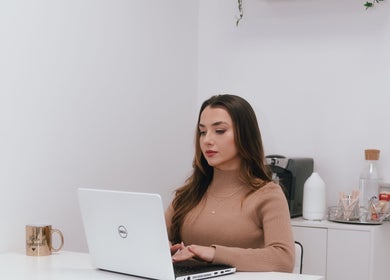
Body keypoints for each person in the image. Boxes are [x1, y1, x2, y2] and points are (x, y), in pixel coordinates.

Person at [164, 94, 295, 272]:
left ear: (245, 135)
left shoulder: (267, 194)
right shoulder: (190, 192)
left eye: (219, 131)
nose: (207, 140)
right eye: (203, 132)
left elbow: (283, 259)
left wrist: (213, 253)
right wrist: (166, 248)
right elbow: (155, 235)